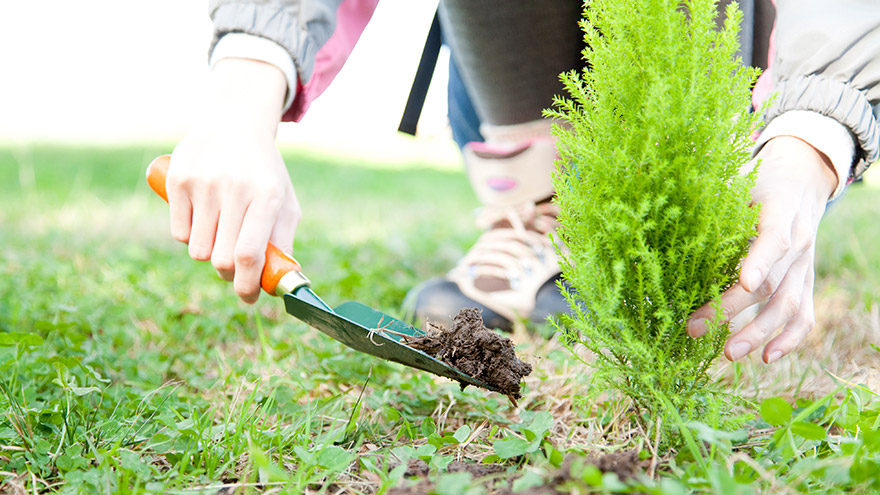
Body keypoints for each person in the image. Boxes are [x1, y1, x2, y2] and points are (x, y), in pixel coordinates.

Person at [165, 0, 879, 365]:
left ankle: (661, 226)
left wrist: (811, 141)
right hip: (514, 76)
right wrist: (245, 92)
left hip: (709, 66)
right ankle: (538, 212)